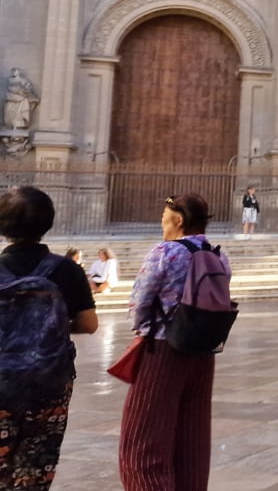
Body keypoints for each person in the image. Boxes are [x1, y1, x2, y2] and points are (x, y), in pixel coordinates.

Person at [119, 193, 221, 491]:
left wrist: (142, 329)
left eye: (164, 218)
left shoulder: (166, 252)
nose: (162, 224)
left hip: (163, 347)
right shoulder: (217, 253)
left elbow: (139, 301)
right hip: (203, 349)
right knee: (191, 439)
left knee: (142, 442)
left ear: (178, 220)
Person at [0, 186, 97, 491]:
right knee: (36, 464)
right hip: (48, 384)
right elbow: (89, 323)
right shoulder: (67, 269)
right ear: (48, 222)